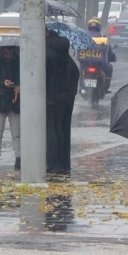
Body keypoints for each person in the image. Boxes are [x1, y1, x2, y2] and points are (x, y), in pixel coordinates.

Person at [46, 28, 80, 175]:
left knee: (52, 129)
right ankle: (63, 163)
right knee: (63, 129)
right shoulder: (64, 53)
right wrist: (70, 92)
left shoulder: (47, 52)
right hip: (67, 97)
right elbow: (76, 73)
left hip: (52, 96)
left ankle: (52, 163)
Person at [0, 46, 21, 170]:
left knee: (16, 133)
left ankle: (19, 158)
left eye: (9, 53)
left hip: (14, 101)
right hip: (0, 101)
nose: (7, 56)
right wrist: (2, 83)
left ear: (13, 52)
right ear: (1, 52)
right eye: (5, 53)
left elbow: (25, 78)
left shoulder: (19, 63)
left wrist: (19, 87)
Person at [86, 17, 116, 93]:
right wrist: (113, 58)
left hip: (85, 63)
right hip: (100, 64)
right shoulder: (103, 37)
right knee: (109, 68)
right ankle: (106, 88)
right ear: (99, 27)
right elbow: (108, 51)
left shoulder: (83, 35)